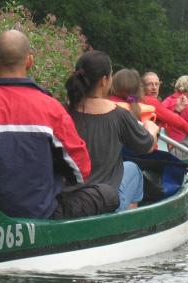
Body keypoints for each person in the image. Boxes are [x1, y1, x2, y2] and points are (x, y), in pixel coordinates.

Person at [0, 30, 118, 220]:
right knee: (108, 194)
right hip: (41, 215)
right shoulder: (52, 110)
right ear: (30, 61)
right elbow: (80, 171)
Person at [65, 51, 159, 212]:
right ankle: (126, 222)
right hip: (103, 201)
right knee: (133, 170)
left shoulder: (62, 111)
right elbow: (147, 147)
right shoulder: (119, 115)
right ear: (104, 81)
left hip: (67, 198)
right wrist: (151, 130)